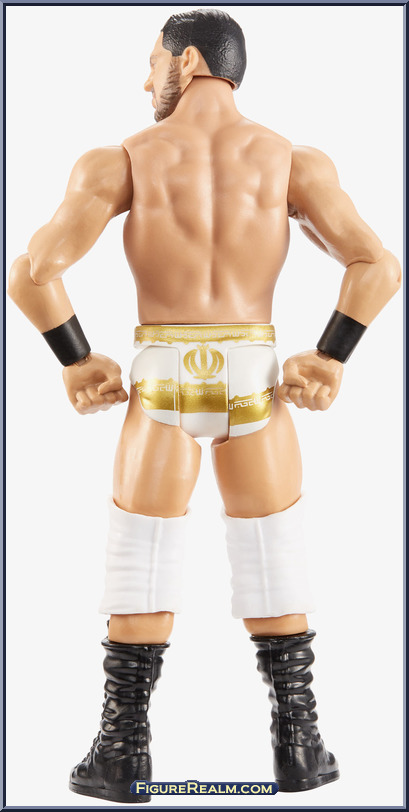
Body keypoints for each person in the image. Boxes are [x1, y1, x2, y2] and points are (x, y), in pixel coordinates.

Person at [8, 8, 401, 803]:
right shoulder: (292, 161)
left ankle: (122, 755)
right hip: (254, 373)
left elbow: (32, 273)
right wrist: (329, 355)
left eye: (150, 62)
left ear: (185, 63)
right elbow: (376, 264)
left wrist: (78, 361)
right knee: (272, 547)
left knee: (141, 550)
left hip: (162, 372)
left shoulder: (122, 159)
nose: (143, 80)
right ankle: (299, 748)